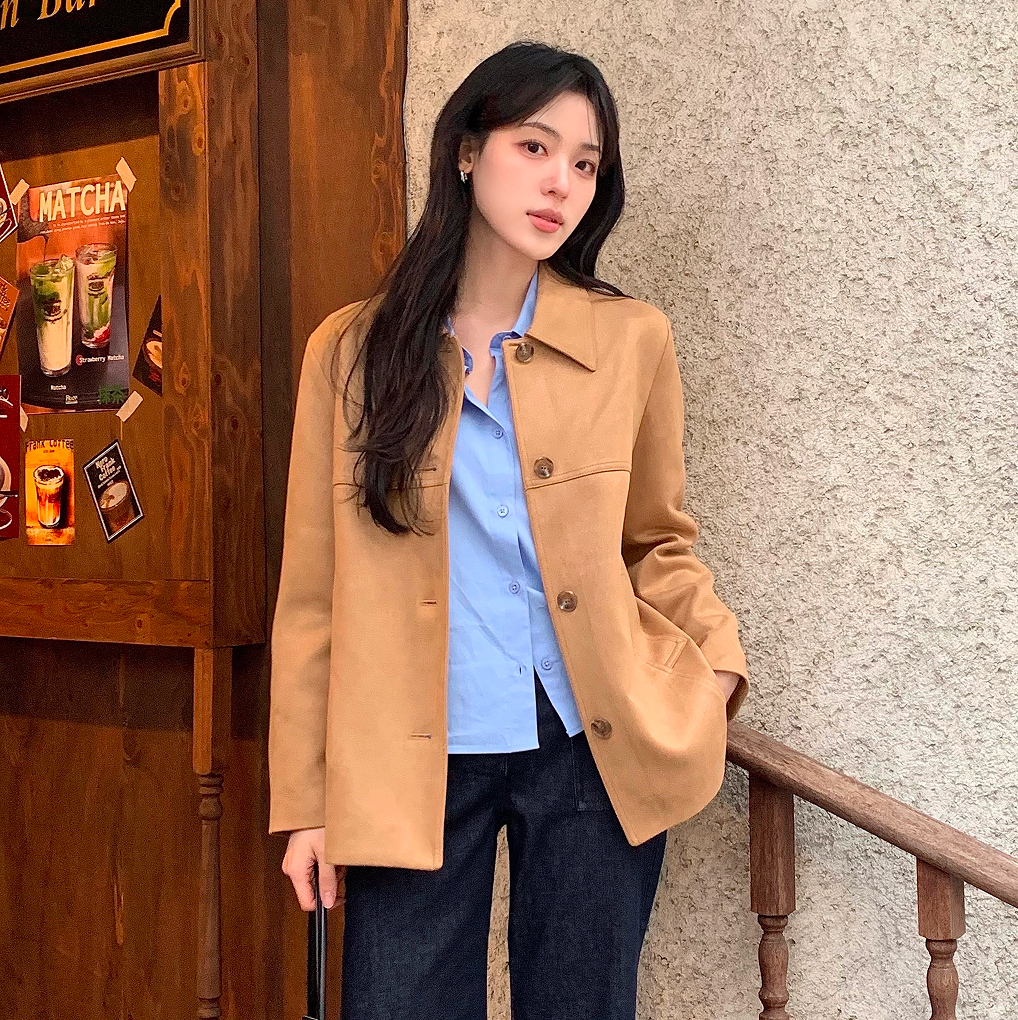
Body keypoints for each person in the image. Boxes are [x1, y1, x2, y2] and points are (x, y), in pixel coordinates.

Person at [269, 39, 749, 1020]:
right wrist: (306, 803)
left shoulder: (630, 340)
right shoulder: (352, 353)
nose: (561, 182)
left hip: (585, 743)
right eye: (535, 147)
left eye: (585, 163)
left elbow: (656, 542)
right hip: (408, 755)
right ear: (465, 151)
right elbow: (313, 597)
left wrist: (715, 667)